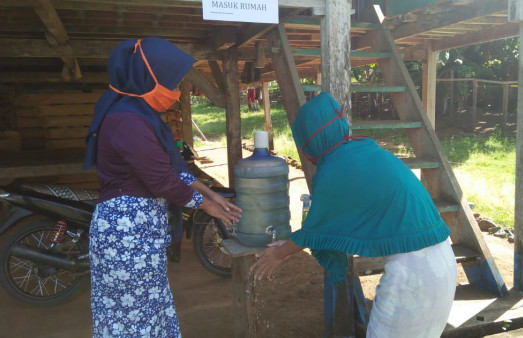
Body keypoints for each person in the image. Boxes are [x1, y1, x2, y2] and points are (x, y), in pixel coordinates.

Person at [251, 92, 457, 337]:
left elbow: (317, 230)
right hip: (443, 261)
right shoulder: (363, 151)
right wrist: (292, 242)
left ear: (308, 140)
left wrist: (277, 255)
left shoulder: (334, 172)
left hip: (415, 276)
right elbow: (325, 227)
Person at [84, 37, 242, 337]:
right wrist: (207, 206)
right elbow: (161, 180)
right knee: (133, 322)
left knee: (147, 313)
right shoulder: (127, 121)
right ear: (149, 77)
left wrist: (210, 193)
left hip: (139, 236)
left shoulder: (140, 116)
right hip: (126, 238)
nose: (177, 91)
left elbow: (172, 169)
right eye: (172, 82)